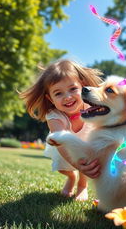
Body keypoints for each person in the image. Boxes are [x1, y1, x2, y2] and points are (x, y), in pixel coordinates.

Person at [20, 59, 102, 201]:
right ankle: (71, 177)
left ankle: (82, 185)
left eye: (73, 89)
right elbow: (61, 142)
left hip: (87, 145)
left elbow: (115, 106)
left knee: (88, 160)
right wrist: (76, 166)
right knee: (63, 168)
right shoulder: (54, 116)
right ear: (50, 99)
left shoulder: (92, 105)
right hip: (62, 147)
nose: (67, 97)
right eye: (58, 93)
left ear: (82, 86)